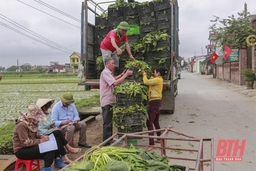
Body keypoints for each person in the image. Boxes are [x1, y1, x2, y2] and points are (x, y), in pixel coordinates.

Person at [12, 104, 66, 170]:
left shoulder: (31, 124)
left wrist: (41, 137)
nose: (38, 121)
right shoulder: (21, 126)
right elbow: (25, 142)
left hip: (30, 146)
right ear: (32, 118)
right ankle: (48, 168)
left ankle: (51, 165)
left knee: (52, 146)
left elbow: (35, 136)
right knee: (49, 148)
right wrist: (40, 141)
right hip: (22, 150)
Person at [100, 57, 133, 145]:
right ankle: (106, 143)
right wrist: (126, 75)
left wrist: (122, 74)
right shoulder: (105, 72)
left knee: (109, 122)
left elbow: (113, 79)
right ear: (107, 64)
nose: (114, 65)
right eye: (112, 63)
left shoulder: (108, 73)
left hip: (110, 101)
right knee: (107, 123)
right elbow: (115, 83)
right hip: (106, 101)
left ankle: (109, 139)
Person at [37, 98, 82, 163]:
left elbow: (51, 123)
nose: (50, 108)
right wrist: (52, 129)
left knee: (58, 137)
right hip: (43, 135)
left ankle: (63, 157)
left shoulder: (47, 114)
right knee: (57, 132)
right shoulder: (38, 116)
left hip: (50, 131)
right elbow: (40, 131)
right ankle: (68, 148)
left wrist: (52, 127)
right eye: (49, 107)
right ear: (44, 108)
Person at [141, 66, 167, 151]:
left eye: (155, 72)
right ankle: (159, 137)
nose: (153, 73)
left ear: (158, 73)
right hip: (157, 102)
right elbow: (151, 80)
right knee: (155, 121)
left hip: (154, 103)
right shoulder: (159, 79)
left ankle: (151, 144)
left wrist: (144, 74)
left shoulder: (157, 80)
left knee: (149, 122)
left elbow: (146, 82)